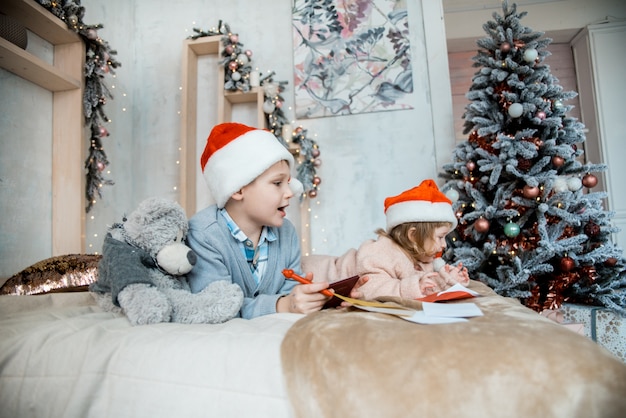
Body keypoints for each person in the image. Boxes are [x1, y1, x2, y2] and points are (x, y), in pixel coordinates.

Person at [186, 122, 332, 319]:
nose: (289, 193)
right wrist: (281, 305)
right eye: (277, 183)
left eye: (288, 183)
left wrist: (305, 300)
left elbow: (289, 293)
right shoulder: (204, 234)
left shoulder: (286, 232)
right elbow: (215, 307)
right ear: (237, 188)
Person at [302, 179, 469, 300]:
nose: (444, 244)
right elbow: (371, 288)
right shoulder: (382, 252)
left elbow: (428, 285)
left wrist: (450, 279)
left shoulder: (421, 258)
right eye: (440, 237)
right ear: (412, 236)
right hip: (316, 272)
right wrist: (411, 288)